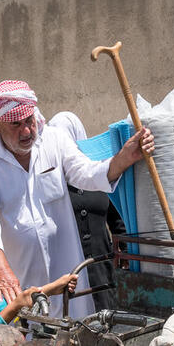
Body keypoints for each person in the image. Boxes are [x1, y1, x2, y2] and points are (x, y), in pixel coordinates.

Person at [0, 80, 154, 346]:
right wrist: (1, 269)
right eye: (16, 125)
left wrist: (124, 158)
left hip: (66, 280)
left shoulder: (52, 140)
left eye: (29, 122)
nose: (27, 131)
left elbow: (88, 174)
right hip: (18, 284)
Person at [48, 111, 127, 310]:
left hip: (102, 267)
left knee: (106, 319)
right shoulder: (49, 181)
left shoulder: (98, 174)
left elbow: (118, 223)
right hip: (67, 272)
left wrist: (124, 255)